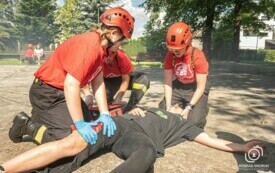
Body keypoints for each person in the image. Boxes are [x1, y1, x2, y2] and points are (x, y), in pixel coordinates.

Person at [1, 106, 263, 173]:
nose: (181, 109)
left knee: (147, 152)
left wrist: (241, 146)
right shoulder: (154, 109)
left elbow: (210, 140)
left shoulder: (186, 126)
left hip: (138, 138)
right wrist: (131, 111)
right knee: (71, 149)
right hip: (117, 124)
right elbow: (128, 112)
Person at [8, 8, 135, 147]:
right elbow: (70, 84)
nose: (122, 43)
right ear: (114, 33)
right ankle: (27, 126)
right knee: (70, 139)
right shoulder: (91, 46)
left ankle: (44, 116)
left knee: (90, 123)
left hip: (60, 93)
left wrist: (105, 113)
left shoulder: (101, 49)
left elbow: (98, 82)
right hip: (47, 93)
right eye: (122, 39)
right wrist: (79, 124)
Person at [159, 22, 210, 129]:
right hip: (179, 86)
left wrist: (188, 108)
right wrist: (168, 106)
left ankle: (201, 107)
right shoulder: (170, 56)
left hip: (195, 88)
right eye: (172, 49)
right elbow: (168, 83)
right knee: (162, 113)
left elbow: (201, 87)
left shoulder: (198, 56)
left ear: (187, 43)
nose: (175, 52)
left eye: (178, 49)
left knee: (194, 123)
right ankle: (179, 106)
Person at [82, 48, 150, 112]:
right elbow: (83, 79)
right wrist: (88, 95)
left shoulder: (122, 57)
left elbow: (125, 80)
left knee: (143, 79)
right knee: (105, 105)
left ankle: (130, 107)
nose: (108, 58)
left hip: (122, 80)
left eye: (112, 53)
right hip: (106, 81)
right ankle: (110, 105)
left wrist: (119, 97)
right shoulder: (93, 58)